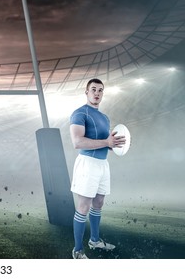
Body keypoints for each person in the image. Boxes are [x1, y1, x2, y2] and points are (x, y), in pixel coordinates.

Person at [69, 78, 125, 259]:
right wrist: (106, 142)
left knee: (99, 203)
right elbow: (78, 142)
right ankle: (77, 250)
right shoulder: (79, 113)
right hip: (87, 164)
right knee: (83, 206)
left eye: (100, 90)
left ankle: (94, 240)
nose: (97, 93)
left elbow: (103, 143)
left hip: (103, 164)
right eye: (93, 89)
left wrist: (114, 145)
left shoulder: (105, 118)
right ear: (86, 92)